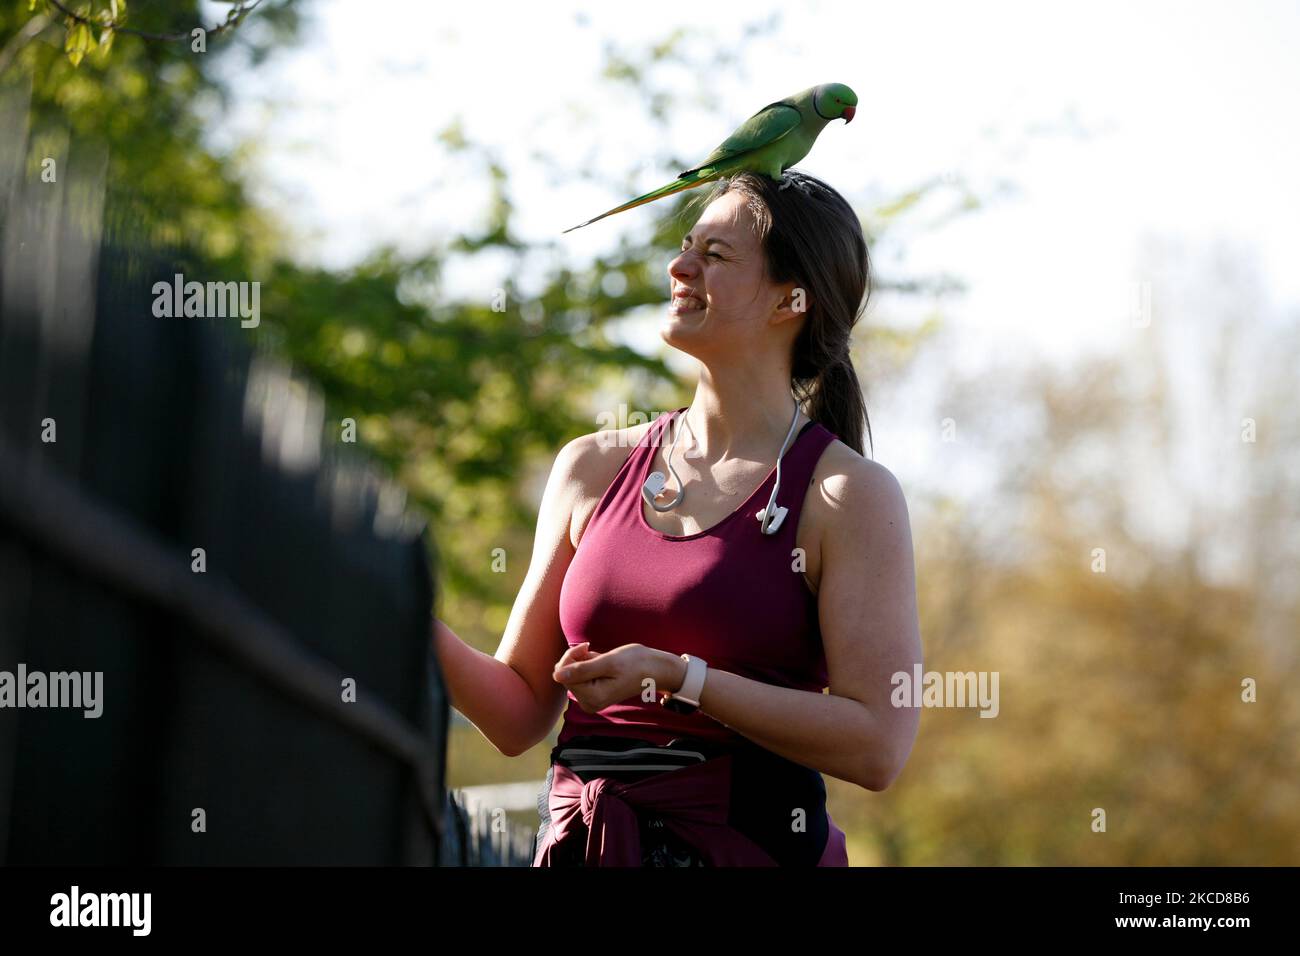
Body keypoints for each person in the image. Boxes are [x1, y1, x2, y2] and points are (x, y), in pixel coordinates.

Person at [434, 169, 922, 866]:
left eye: (715, 256)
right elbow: (517, 712)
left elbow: (877, 745)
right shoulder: (591, 467)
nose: (678, 265)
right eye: (686, 245)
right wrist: (396, 608)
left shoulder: (848, 494)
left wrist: (679, 677)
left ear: (792, 298)